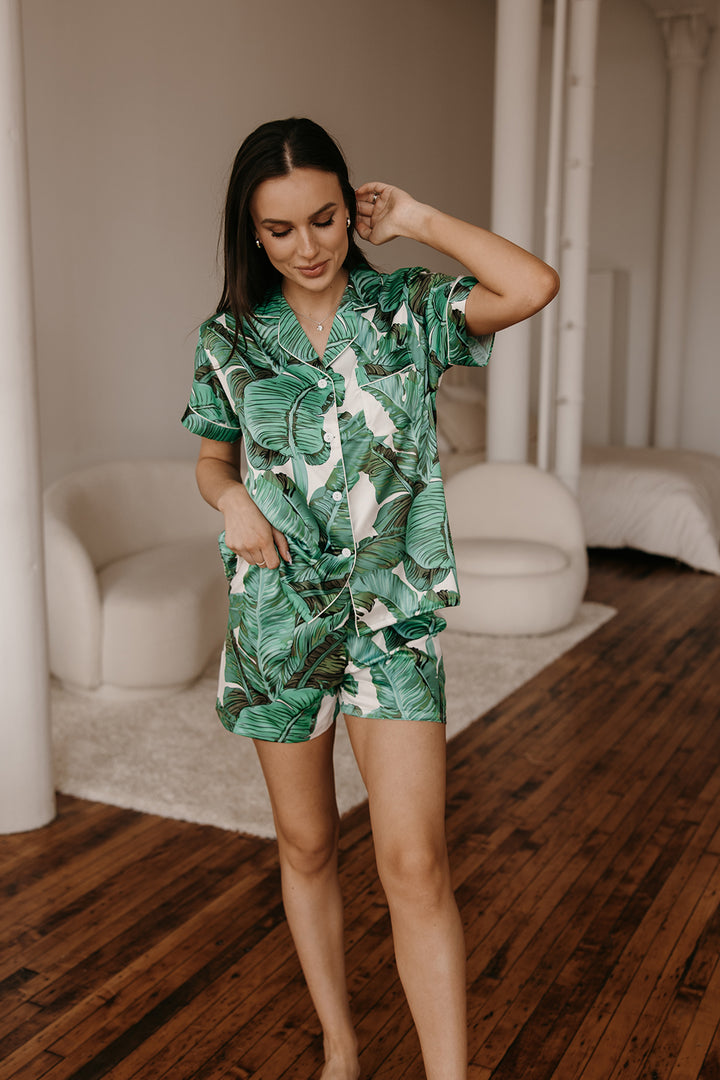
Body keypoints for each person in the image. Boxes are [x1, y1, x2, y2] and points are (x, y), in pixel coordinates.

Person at [182, 117, 558, 1080]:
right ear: (252, 233)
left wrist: (419, 218)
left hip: (392, 621)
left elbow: (532, 286)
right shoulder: (230, 337)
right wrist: (230, 502)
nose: (307, 246)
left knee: (415, 864)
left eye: (324, 219)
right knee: (307, 845)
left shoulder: (407, 310)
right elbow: (213, 460)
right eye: (280, 230)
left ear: (352, 210)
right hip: (278, 618)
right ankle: (342, 1052)